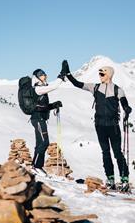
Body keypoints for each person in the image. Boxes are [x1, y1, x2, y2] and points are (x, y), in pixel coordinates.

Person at [63, 60, 132, 191]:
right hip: (100, 126)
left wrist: (127, 109)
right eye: (99, 73)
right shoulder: (94, 87)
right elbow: (78, 84)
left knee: (117, 153)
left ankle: (124, 179)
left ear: (109, 75)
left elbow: (124, 103)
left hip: (113, 126)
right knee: (105, 152)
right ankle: (110, 178)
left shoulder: (118, 89)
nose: (100, 75)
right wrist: (68, 74)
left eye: (102, 73)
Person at [30, 68, 64, 175]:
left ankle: (35, 166)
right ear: (36, 77)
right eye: (41, 74)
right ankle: (37, 166)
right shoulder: (38, 89)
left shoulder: (41, 89)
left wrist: (54, 105)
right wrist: (61, 77)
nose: (44, 75)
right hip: (38, 119)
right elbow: (53, 86)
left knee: (40, 142)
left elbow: (42, 107)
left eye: (44, 74)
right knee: (45, 142)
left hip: (39, 118)